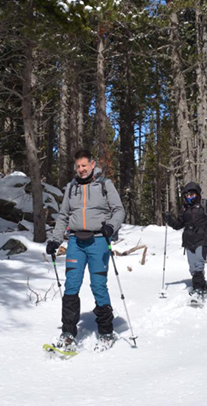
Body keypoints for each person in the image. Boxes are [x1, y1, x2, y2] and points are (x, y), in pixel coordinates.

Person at [46, 149, 125, 350]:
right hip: (75, 242)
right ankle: (68, 333)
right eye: (78, 166)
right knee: (71, 285)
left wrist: (111, 226)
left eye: (84, 165)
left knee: (98, 285)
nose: (81, 169)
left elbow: (119, 210)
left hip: (98, 240)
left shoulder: (105, 185)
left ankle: (106, 332)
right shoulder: (71, 188)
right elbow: (63, 215)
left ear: (92, 164)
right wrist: (55, 239)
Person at [165, 182, 207, 301]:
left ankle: (197, 289)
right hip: (189, 240)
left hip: (203, 238)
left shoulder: (205, 205)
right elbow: (178, 225)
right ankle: (203, 286)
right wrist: (169, 219)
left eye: (192, 194)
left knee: (199, 265)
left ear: (197, 194)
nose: (189, 197)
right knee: (192, 267)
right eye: (187, 195)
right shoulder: (185, 208)